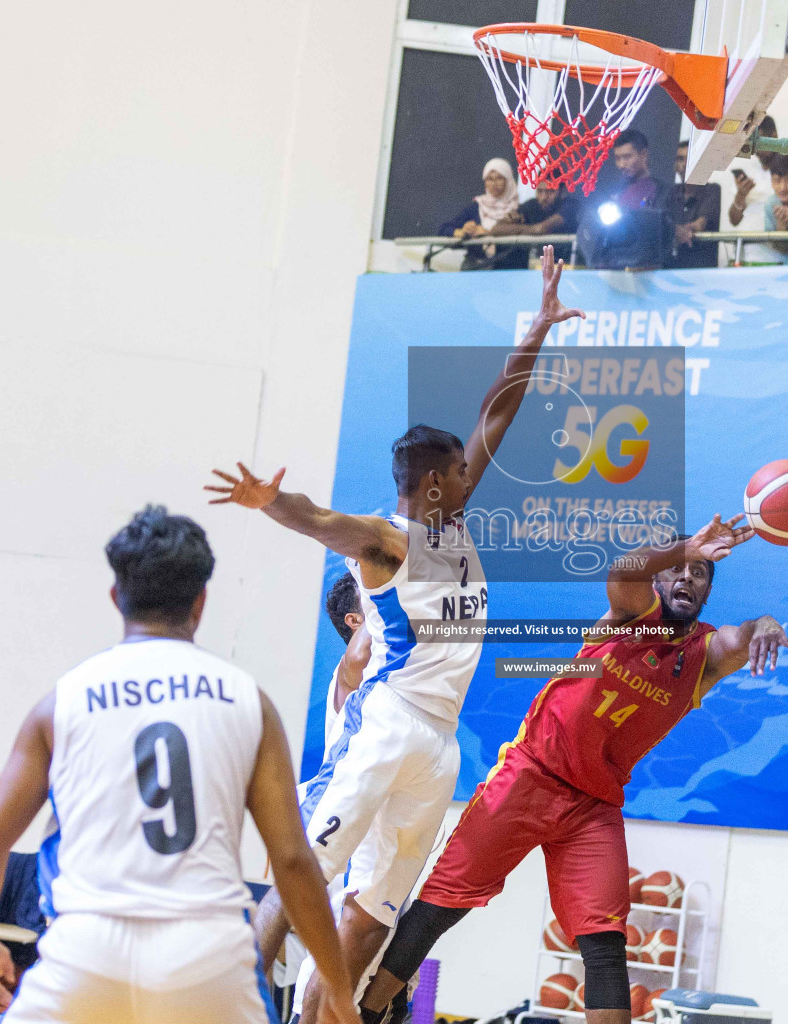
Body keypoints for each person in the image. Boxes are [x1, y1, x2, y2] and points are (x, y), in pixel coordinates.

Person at [206, 250, 584, 1024]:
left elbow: (496, 417)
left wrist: (539, 326)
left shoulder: (453, 524)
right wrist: (269, 504)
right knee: (307, 868)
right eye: (458, 471)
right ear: (430, 483)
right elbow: (318, 519)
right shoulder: (387, 539)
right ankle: (231, 1005)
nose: (472, 476)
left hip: (438, 745)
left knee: (374, 911)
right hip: (389, 724)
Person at [357, 515, 788, 1024]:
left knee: (606, 944)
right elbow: (622, 571)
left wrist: (764, 624)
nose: (686, 579)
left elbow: (740, 638)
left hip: (594, 805)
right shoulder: (635, 613)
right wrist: (687, 544)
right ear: (658, 580)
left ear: (706, 592)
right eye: (676, 569)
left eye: (699, 573)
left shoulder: (703, 655)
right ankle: (368, 1012)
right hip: (531, 773)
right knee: (440, 906)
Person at [0, 506, 358, 1024]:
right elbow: (294, 862)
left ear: (115, 596)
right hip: (206, 955)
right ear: (201, 601)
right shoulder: (247, 702)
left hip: (85, 949)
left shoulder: (61, 703)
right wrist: (339, 991)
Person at [253, 571, 372, 1008]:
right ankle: (238, 1001)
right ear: (356, 620)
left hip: (360, 805)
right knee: (315, 929)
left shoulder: (385, 660)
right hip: (338, 796)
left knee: (356, 951)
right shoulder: (358, 659)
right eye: (374, 597)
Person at [437, 158, 526, 271]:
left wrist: (489, 233)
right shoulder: (476, 207)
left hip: (508, 270)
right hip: (475, 271)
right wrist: (463, 232)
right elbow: (443, 230)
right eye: (489, 179)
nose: (494, 183)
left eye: (499, 178)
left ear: (508, 180)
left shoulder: (519, 210)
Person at [720, 115, 783, 265]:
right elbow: (734, 220)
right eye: (752, 144)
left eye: (759, 142)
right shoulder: (749, 169)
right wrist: (741, 195)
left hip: (778, 256)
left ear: (773, 136)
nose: (756, 151)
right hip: (744, 254)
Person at [668, 140, 722, 269]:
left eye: (691, 159)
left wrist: (678, 230)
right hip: (671, 268)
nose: (685, 164)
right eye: (680, 159)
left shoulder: (712, 190)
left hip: (700, 269)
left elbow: (700, 224)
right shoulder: (671, 192)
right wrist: (675, 230)